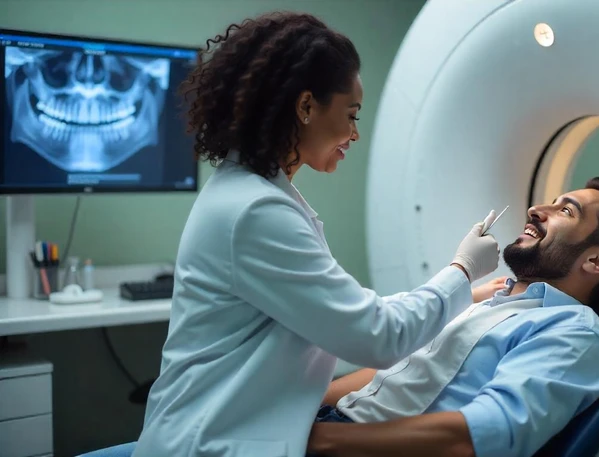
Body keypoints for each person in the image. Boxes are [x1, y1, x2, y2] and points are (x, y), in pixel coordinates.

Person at [132, 11, 501, 457]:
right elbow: (377, 336)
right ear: (306, 106)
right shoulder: (257, 211)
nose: (355, 133)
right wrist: (462, 270)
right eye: (351, 113)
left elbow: (349, 313)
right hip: (210, 443)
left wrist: (468, 297)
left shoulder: (253, 193)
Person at [305, 176, 599, 457]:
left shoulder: (575, 332)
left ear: (597, 261)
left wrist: (318, 439)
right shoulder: (496, 299)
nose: (536, 209)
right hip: (331, 427)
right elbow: (392, 373)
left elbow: (475, 437)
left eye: (566, 211)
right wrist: (301, 409)